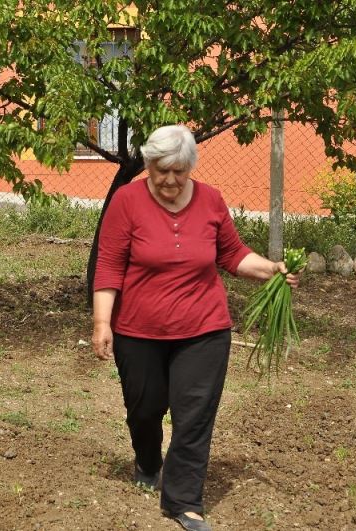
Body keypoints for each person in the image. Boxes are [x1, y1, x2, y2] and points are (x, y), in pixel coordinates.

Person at [91, 124, 301, 531]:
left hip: (204, 329)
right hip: (138, 331)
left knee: (194, 416)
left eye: (179, 171)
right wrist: (102, 322)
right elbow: (110, 265)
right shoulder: (126, 201)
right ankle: (148, 461)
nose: (170, 180)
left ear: (190, 168)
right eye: (162, 170)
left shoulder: (211, 200)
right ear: (149, 164)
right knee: (144, 409)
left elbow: (233, 254)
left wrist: (272, 269)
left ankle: (184, 502)